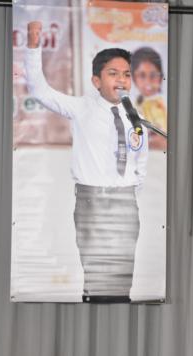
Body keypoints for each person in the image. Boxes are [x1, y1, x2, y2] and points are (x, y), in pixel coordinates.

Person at [25, 21, 148, 302]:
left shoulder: (135, 116)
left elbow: (140, 159)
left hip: (125, 201)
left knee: (122, 278)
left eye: (126, 75)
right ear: (96, 81)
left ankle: (121, 313)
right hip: (93, 200)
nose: (121, 80)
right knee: (98, 277)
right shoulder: (82, 107)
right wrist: (33, 47)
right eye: (113, 74)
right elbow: (40, 91)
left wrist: (130, 192)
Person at [131, 47, 167, 151]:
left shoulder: (168, 104)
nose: (148, 82)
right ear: (134, 78)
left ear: (161, 77)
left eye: (153, 75)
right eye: (142, 75)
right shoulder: (131, 106)